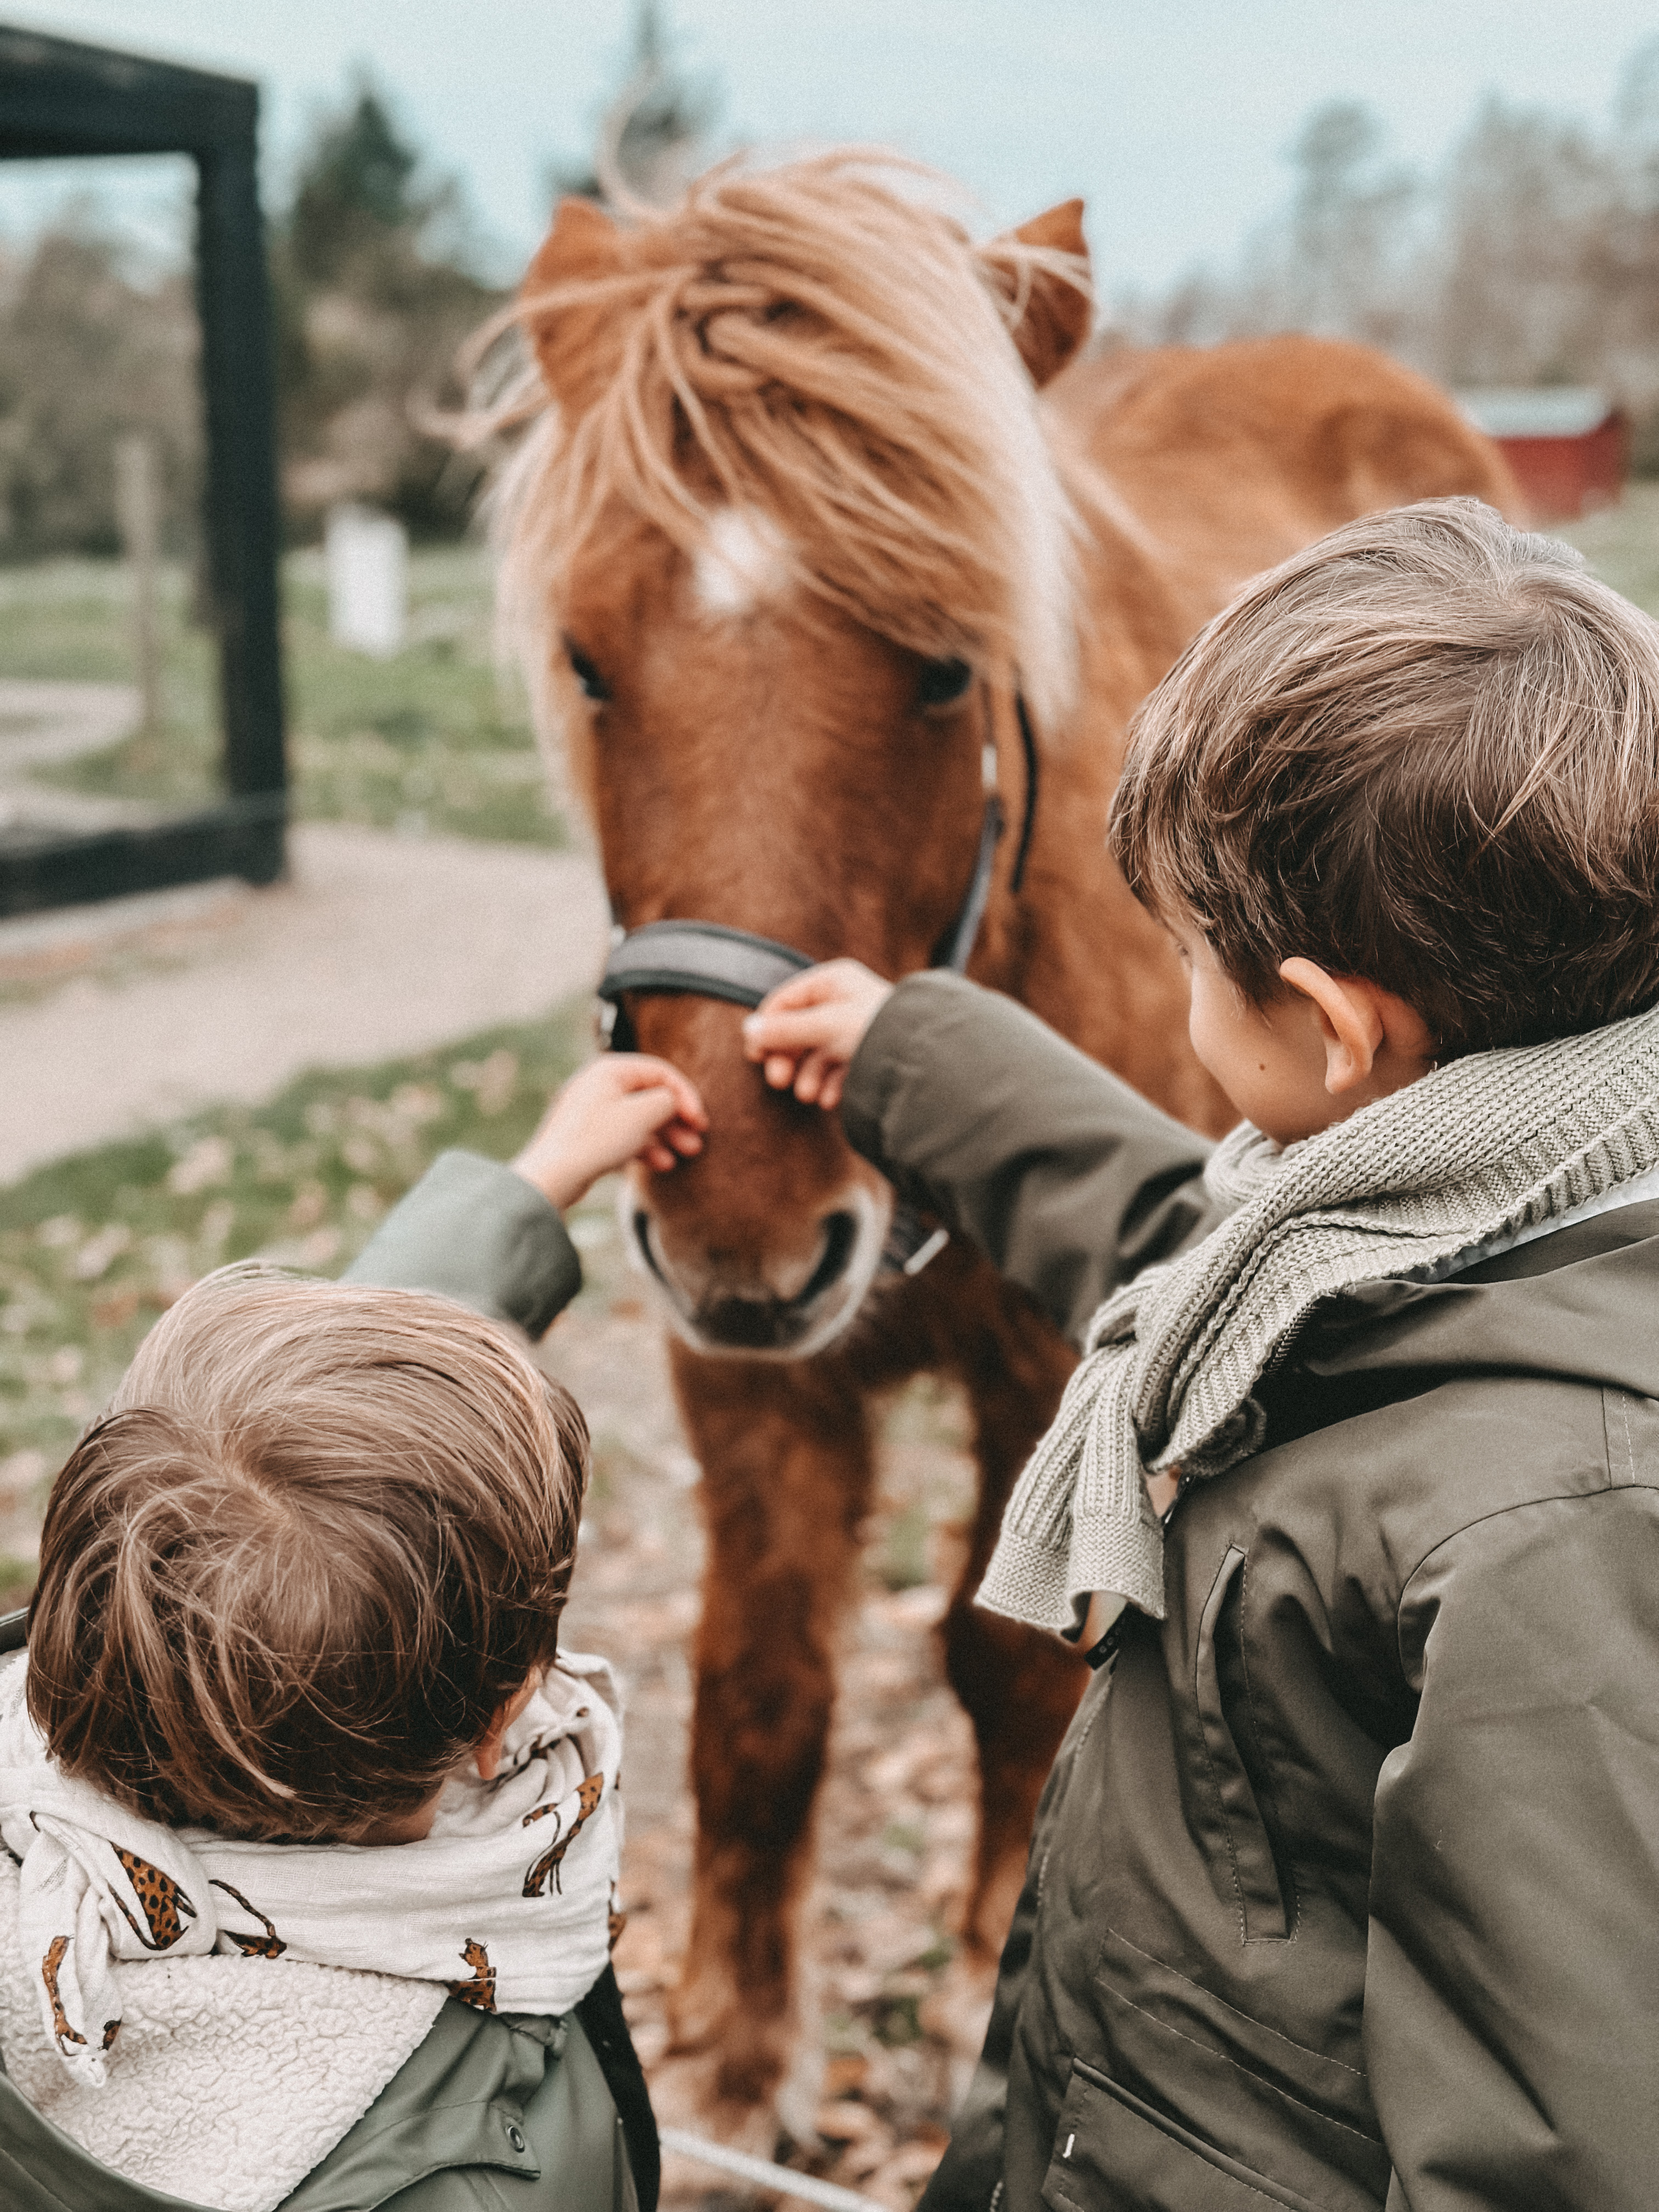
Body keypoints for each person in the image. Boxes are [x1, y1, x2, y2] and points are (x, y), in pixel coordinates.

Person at [741, 498, 1659, 2210]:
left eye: (1187, 959)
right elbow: (1190, 1242)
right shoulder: (1450, 1208)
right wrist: (918, 1055)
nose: (1175, 989)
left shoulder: (1557, 1531)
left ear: (1332, 1033)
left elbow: (1573, 2146)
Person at [0, 1052, 707, 2212]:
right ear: (495, 1729)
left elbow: (290, 1491)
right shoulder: (460, 2183)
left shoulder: (122, 1652)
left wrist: (527, 1191)